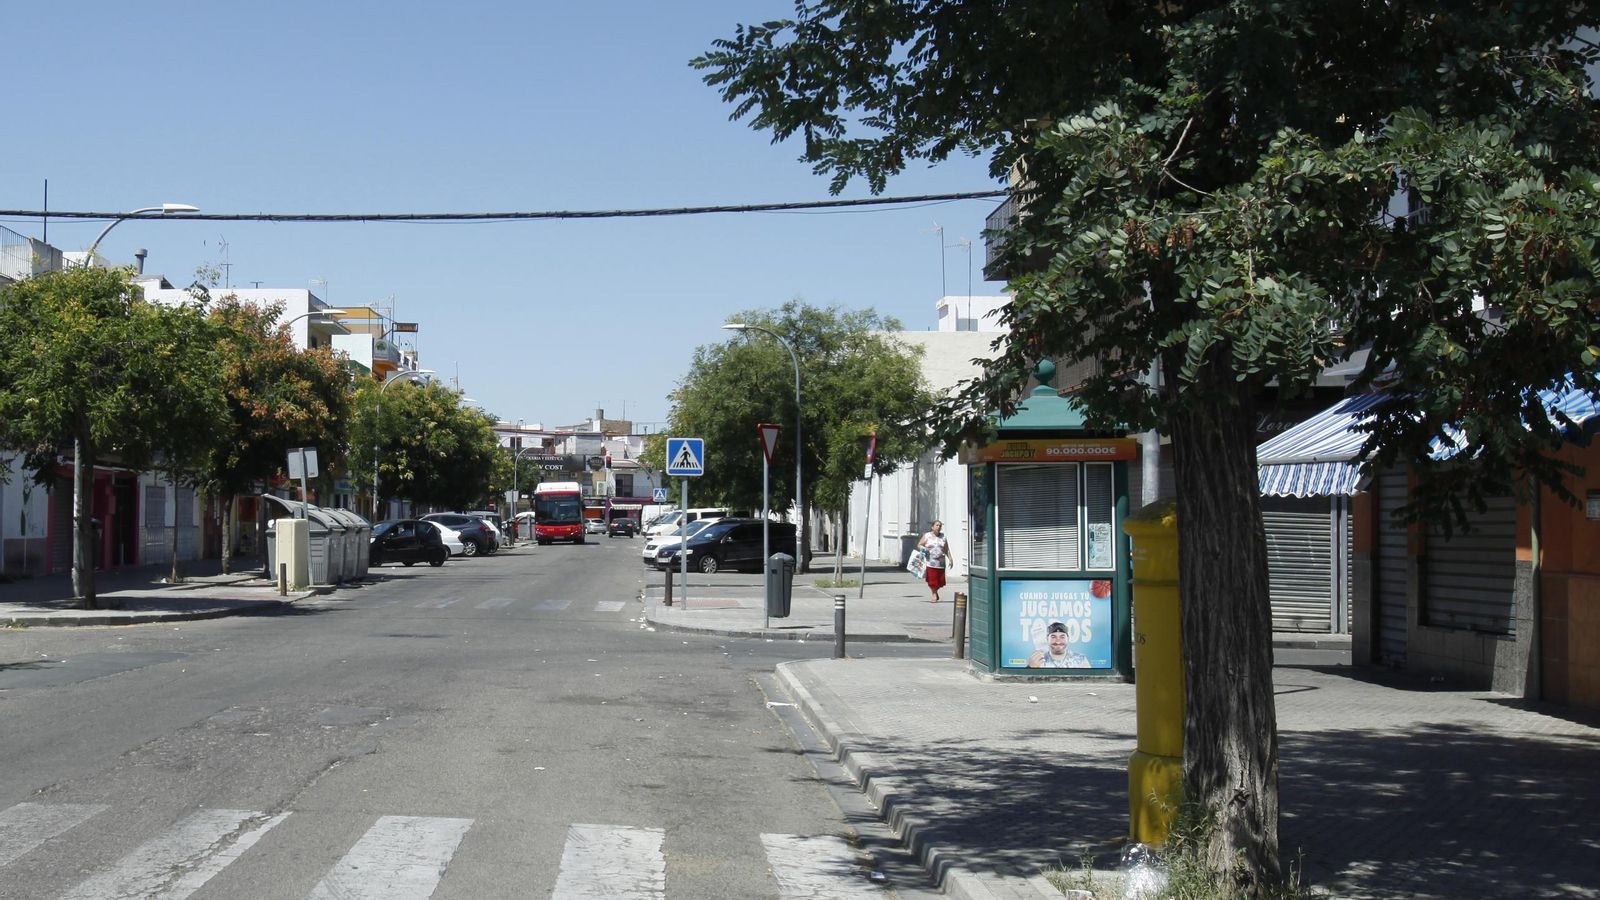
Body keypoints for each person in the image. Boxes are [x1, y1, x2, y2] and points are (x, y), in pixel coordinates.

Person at [916, 520, 951, 603]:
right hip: (930, 562)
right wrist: (925, 548)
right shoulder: (927, 536)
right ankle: (934, 594)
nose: (938, 527)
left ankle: (935, 591)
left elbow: (946, 549)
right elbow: (919, 544)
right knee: (932, 581)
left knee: (940, 582)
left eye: (940, 526)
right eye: (937, 525)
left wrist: (950, 559)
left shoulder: (943, 537)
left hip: (941, 562)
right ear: (932, 527)